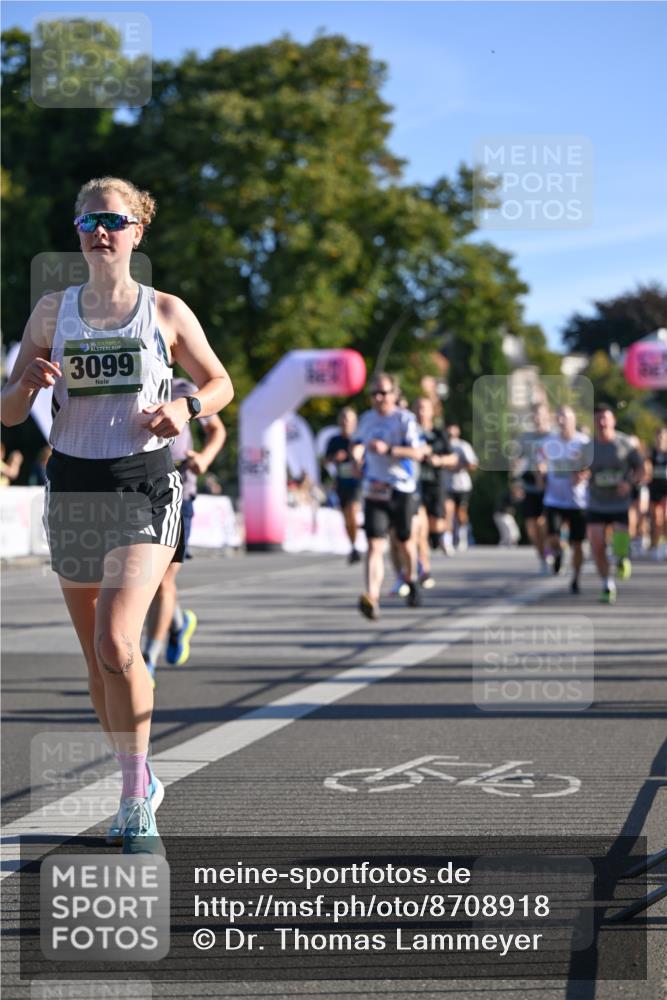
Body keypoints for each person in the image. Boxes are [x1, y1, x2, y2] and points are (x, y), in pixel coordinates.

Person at [0, 176, 233, 851]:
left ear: (138, 231)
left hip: (143, 484)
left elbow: (219, 383)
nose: (100, 231)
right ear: (76, 233)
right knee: (95, 660)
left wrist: (185, 407)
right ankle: (139, 773)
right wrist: (24, 382)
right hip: (71, 484)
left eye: (114, 219)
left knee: (115, 641)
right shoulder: (51, 312)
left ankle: (136, 799)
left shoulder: (165, 311)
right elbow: (10, 413)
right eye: (88, 222)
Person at [142, 377, 226, 684]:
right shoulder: (129, 382)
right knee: (143, 576)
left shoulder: (184, 389)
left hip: (179, 490)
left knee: (162, 579)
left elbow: (216, 430)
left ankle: (148, 657)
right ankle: (178, 623)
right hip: (135, 489)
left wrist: (204, 457)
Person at [352, 373, 427, 620]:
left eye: (383, 393)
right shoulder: (367, 419)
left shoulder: (404, 419)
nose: (379, 398)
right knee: (375, 544)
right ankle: (372, 597)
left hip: (401, 488)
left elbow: (418, 453)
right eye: (374, 393)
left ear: (394, 394)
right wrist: (357, 454)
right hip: (374, 488)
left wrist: (390, 450)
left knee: (405, 542)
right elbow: (359, 442)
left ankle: (412, 578)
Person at [584, 405, 643, 603]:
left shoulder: (625, 444)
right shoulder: (588, 447)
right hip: (596, 502)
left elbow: (642, 469)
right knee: (597, 546)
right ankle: (607, 584)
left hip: (619, 504)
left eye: (605, 419)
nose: (602, 423)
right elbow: (578, 469)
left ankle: (621, 558)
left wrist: (630, 483)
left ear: (613, 421)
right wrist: (579, 474)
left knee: (619, 544)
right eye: (598, 419)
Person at [539, 405, 590, 594]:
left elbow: (592, 466)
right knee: (551, 537)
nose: (562, 421)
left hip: (578, 501)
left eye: (565, 418)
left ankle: (575, 578)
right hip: (554, 498)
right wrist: (540, 472)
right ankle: (559, 552)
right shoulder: (549, 441)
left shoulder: (583, 442)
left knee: (579, 543)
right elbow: (540, 461)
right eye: (559, 418)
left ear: (573, 420)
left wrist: (583, 474)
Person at [413, 398, 458, 586]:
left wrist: (439, 461)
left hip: (435, 486)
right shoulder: (410, 432)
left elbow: (453, 458)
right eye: (418, 408)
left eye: (425, 408)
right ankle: (424, 570)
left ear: (432, 411)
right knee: (419, 530)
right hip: (415, 487)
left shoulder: (439, 434)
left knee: (435, 528)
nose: (421, 411)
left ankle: (441, 538)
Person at [512, 403, 552, 573]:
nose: (537, 419)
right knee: (531, 526)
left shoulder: (554, 436)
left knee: (544, 523)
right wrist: (515, 477)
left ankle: (552, 551)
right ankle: (542, 558)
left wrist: (546, 469)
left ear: (547, 416)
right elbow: (516, 461)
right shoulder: (525, 437)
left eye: (540, 415)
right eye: (534, 415)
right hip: (529, 485)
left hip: (550, 486)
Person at [325, 407, 362, 563]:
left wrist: (359, 461)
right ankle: (353, 545)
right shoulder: (334, 441)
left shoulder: (360, 438)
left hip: (357, 482)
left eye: (349, 418)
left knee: (353, 511)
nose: (346, 421)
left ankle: (358, 539)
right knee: (346, 517)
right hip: (342, 482)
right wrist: (335, 458)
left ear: (355, 422)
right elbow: (326, 460)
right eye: (344, 418)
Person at [442, 424, 478, 552]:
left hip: (462, 485)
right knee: (447, 512)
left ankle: (462, 538)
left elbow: (473, 464)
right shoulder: (442, 445)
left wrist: (459, 465)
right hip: (446, 484)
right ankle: (448, 540)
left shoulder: (462, 446)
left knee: (461, 513)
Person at [647, 425, 667, 559]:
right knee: (656, 519)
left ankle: (664, 544)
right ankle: (654, 545)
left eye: (663, 436)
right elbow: (646, 469)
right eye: (658, 436)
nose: (660, 438)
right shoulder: (651, 453)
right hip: (654, 490)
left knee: (665, 518)